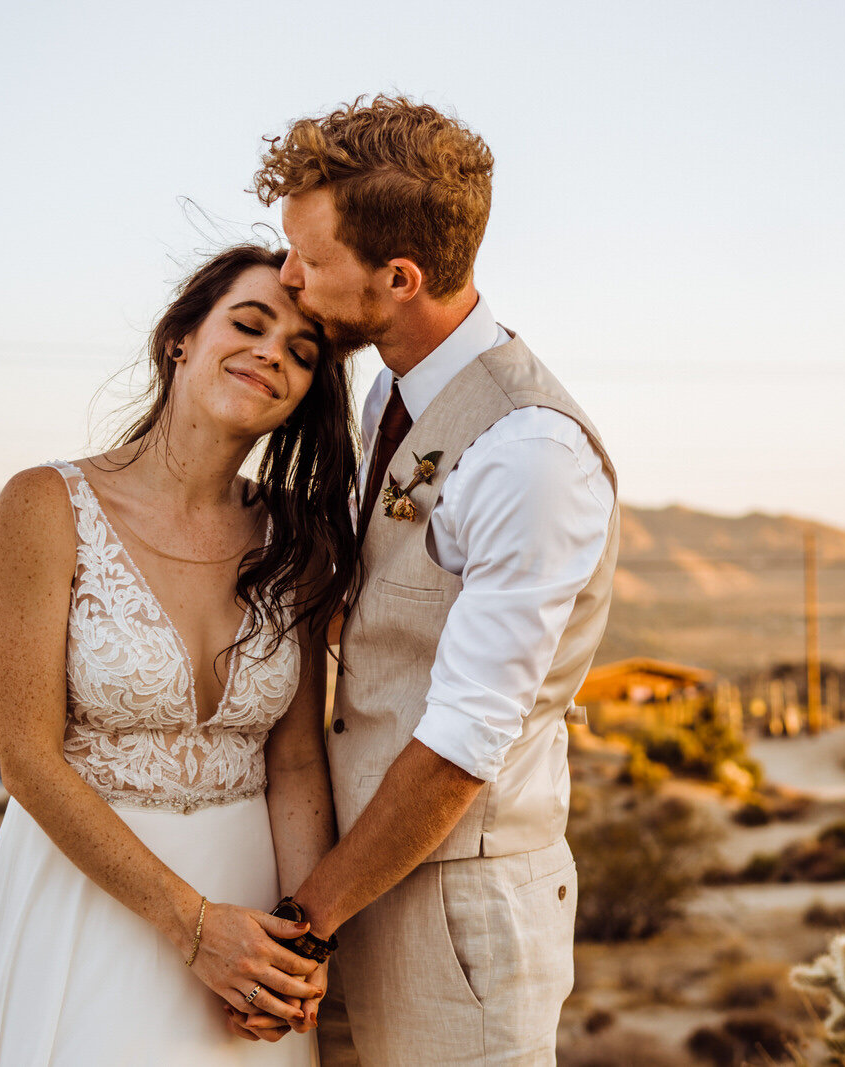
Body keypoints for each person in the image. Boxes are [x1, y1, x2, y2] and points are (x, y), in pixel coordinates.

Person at [241, 96, 621, 1065]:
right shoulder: (389, 393)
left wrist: (307, 916)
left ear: (398, 278)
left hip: (460, 914)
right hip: (362, 880)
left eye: (308, 259)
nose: (287, 277)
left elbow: (461, 743)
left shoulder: (531, 452)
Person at [0, 244, 358, 1066]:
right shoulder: (45, 504)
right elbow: (26, 759)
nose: (273, 352)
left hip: (251, 919)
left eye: (303, 352)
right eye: (249, 322)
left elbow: (299, 761)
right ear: (180, 339)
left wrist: (300, 947)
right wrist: (194, 929)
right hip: (90, 900)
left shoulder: (298, 540)